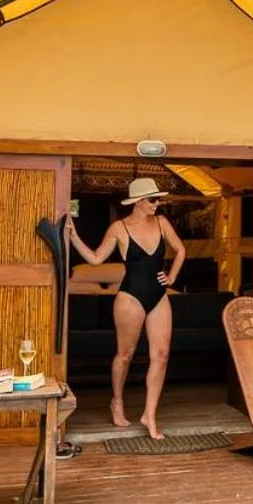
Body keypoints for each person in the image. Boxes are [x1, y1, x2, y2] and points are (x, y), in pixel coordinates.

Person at [67, 177, 185, 439]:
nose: (157, 203)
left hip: (159, 296)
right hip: (130, 297)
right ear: (139, 201)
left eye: (158, 199)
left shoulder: (162, 222)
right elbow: (96, 259)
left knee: (162, 354)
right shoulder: (119, 228)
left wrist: (172, 277)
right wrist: (74, 236)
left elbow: (181, 250)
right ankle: (117, 401)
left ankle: (149, 415)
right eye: (153, 199)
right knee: (125, 354)